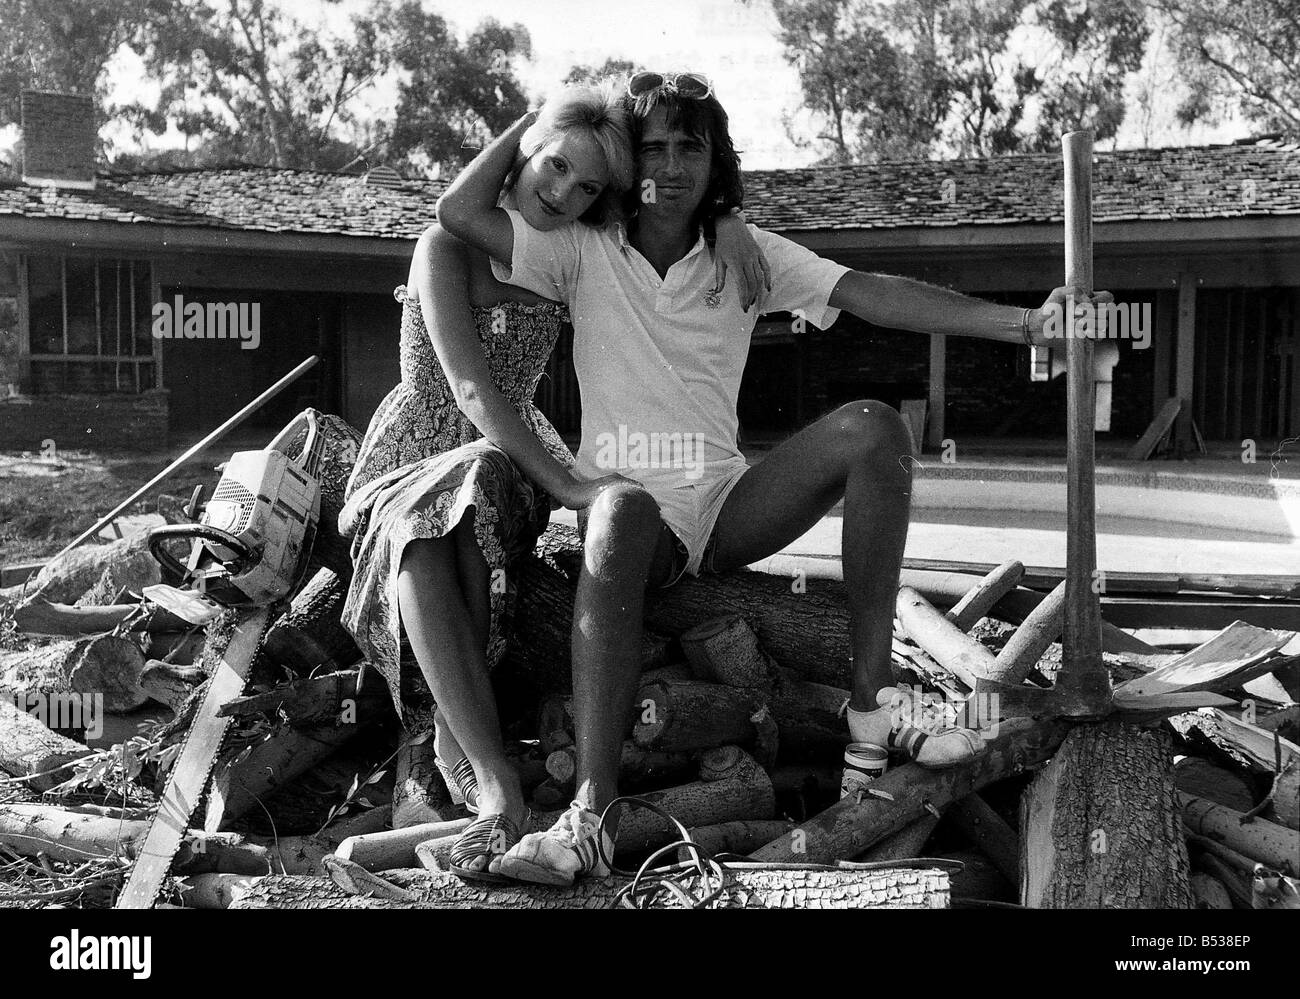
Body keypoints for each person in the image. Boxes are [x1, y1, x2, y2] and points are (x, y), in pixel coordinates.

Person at [438, 70, 1114, 887]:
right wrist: (543, 120)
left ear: (715, 161)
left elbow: (871, 295)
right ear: (625, 166)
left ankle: (873, 708)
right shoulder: (582, 249)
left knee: (874, 427)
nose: (673, 165)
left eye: (692, 147)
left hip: (724, 503)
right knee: (619, 507)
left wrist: (1028, 324)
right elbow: (460, 214)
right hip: (629, 517)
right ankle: (591, 815)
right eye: (652, 148)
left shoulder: (746, 257)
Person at [337, 80, 770, 883]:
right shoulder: (446, 248)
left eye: (587, 187)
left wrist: (727, 217)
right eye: (556, 166)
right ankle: (492, 781)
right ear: (527, 149)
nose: (564, 192)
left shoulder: (568, 254)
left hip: (508, 463)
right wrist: (573, 489)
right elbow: (471, 390)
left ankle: (468, 768)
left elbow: (667, 205)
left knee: (473, 494)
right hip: (425, 449)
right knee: (428, 531)